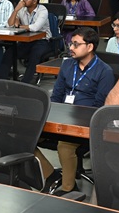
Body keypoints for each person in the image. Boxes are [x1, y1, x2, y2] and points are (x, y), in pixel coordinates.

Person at [35, 27, 114, 198]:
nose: (71, 47)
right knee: (27, 136)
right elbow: (56, 96)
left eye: (76, 44)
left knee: (65, 146)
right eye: (71, 43)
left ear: (90, 47)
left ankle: (69, 189)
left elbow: (99, 107)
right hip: (62, 117)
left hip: (85, 124)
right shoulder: (67, 64)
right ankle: (50, 175)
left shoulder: (104, 71)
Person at [1, 0, 52, 83]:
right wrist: (16, 10)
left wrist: (19, 26)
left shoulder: (42, 10)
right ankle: (2, 80)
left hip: (42, 40)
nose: (24, 0)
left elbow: (35, 27)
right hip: (27, 40)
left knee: (34, 54)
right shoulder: (22, 9)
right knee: (9, 53)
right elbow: (9, 25)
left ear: (35, 1)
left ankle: (25, 82)